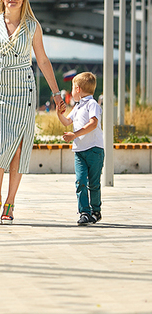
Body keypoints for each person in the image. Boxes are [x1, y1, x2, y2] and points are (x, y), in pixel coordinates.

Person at [0, 0, 64, 224]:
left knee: (18, 150)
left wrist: (56, 94)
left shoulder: (32, 26)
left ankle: (10, 203)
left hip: (23, 91)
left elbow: (43, 61)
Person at [56, 72, 104, 226]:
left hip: (94, 150)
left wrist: (75, 135)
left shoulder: (92, 104)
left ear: (77, 89)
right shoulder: (78, 106)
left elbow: (93, 123)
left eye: (72, 88)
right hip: (80, 151)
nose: (71, 91)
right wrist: (59, 113)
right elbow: (66, 121)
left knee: (94, 183)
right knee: (80, 181)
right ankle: (84, 212)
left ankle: (96, 211)